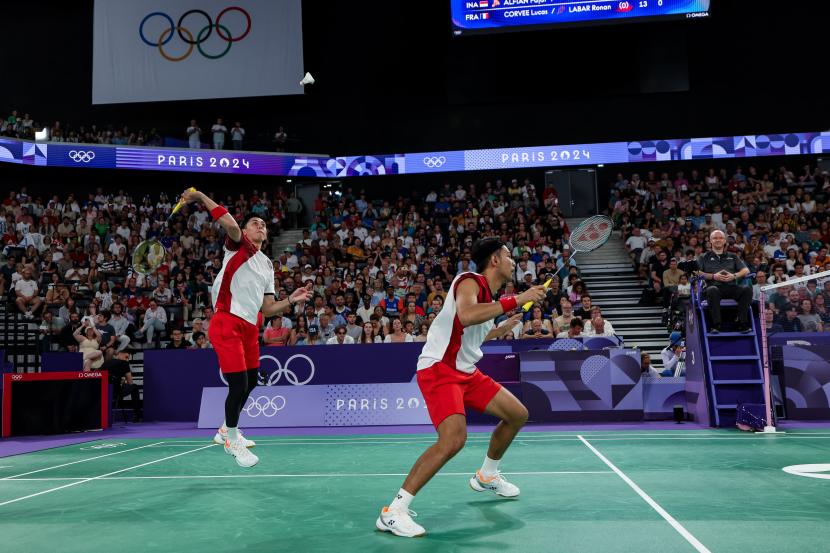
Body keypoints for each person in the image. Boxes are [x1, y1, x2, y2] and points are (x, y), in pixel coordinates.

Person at [376, 238, 545, 538]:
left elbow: (469, 332)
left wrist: (498, 331)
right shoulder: (469, 281)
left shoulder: (488, 296)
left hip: (465, 372)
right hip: (440, 369)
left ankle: (486, 475)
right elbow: (465, 315)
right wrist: (519, 299)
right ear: (494, 260)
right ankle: (394, 511)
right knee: (453, 440)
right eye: (508, 256)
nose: (512, 261)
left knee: (517, 414)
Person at [180, 188, 310, 468]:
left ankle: (225, 428)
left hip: (251, 326)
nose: (260, 226)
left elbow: (268, 309)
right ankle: (232, 440)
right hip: (227, 320)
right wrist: (200, 197)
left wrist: (291, 299)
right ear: (246, 230)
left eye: (263, 224)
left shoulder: (266, 265)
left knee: (251, 382)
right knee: (238, 383)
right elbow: (228, 223)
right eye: (255, 223)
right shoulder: (238, 245)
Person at [697, 230, 752, 333]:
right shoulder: (703, 257)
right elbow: (696, 272)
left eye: (720, 238)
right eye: (715, 238)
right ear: (710, 241)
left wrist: (734, 276)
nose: (718, 240)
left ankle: (742, 323)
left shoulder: (733, 256)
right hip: (713, 287)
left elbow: (746, 270)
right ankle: (716, 325)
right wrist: (713, 276)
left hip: (730, 287)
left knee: (746, 289)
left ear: (725, 240)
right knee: (712, 290)